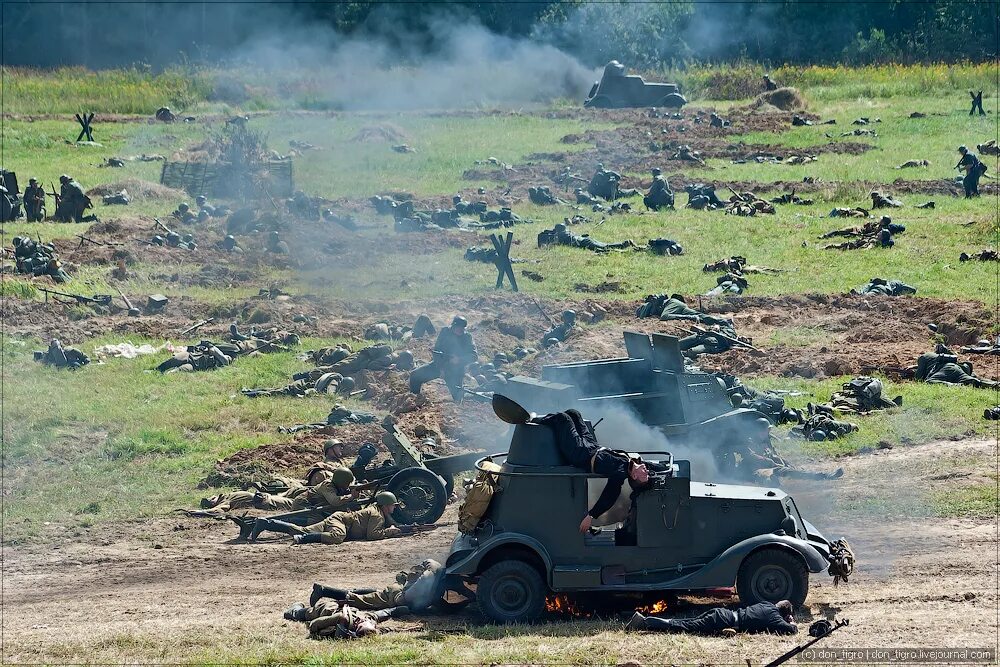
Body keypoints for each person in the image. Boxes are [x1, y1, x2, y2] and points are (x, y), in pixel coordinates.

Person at [533, 409, 651, 533]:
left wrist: (591, 516)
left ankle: (534, 421)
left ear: (634, 475)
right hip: (592, 446)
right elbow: (652, 466)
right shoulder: (633, 463)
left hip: (580, 453)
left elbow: (610, 495)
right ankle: (554, 425)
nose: (646, 471)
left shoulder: (620, 473)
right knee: (574, 414)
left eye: (645, 475)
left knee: (563, 418)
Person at [236, 491, 424, 544]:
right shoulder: (377, 515)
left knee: (301, 529)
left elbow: (392, 525)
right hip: (339, 522)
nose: (394, 508)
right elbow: (373, 535)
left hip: (339, 519)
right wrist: (391, 533)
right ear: (385, 505)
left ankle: (266, 523)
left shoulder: (380, 512)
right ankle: (304, 539)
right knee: (337, 538)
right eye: (392, 505)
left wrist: (405, 529)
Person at [306, 559, 444, 610]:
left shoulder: (434, 566)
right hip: (399, 595)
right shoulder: (429, 580)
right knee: (362, 601)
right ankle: (324, 591)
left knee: (377, 593)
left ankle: (344, 590)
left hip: (398, 588)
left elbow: (421, 566)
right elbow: (409, 599)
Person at [627, 600, 797, 635]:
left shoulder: (767, 605)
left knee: (687, 622)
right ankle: (645, 623)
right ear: (785, 613)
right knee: (686, 627)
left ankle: (644, 621)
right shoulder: (775, 618)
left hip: (723, 613)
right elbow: (792, 631)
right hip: (725, 621)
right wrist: (791, 621)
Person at [409, 316, 478, 399]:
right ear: (453, 326)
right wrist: (441, 369)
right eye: (458, 328)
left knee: (458, 397)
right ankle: (414, 401)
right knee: (415, 376)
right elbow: (437, 351)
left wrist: (459, 360)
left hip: (455, 372)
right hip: (440, 365)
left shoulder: (467, 337)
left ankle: (470, 398)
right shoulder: (445, 332)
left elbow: (474, 356)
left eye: (462, 328)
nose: (460, 330)